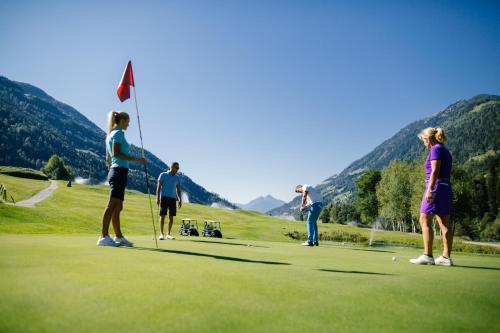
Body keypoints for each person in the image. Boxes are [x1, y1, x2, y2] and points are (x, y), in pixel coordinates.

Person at [98, 111, 146, 247]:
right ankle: (104, 236)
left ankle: (118, 237)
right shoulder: (118, 133)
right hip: (118, 172)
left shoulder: (111, 134)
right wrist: (137, 159)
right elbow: (116, 153)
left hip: (118, 171)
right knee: (112, 205)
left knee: (118, 206)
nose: (129, 124)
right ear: (122, 120)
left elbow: (110, 156)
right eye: (128, 121)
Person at [410, 127, 454, 266]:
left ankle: (428, 255)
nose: (423, 143)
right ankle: (446, 258)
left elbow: (435, 170)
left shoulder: (435, 149)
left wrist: (430, 189)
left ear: (428, 138)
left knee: (424, 219)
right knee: (444, 224)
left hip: (436, 187)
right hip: (446, 187)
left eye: (423, 140)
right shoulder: (445, 150)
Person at [156, 162, 182, 240]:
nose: (177, 169)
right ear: (171, 167)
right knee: (162, 215)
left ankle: (169, 234)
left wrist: (180, 199)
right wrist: (157, 198)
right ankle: (161, 234)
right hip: (164, 197)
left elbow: (178, 189)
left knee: (171, 216)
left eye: (178, 168)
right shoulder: (163, 175)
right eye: (176, 168)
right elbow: (159, 187)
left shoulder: (177, 178)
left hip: (173, 199)